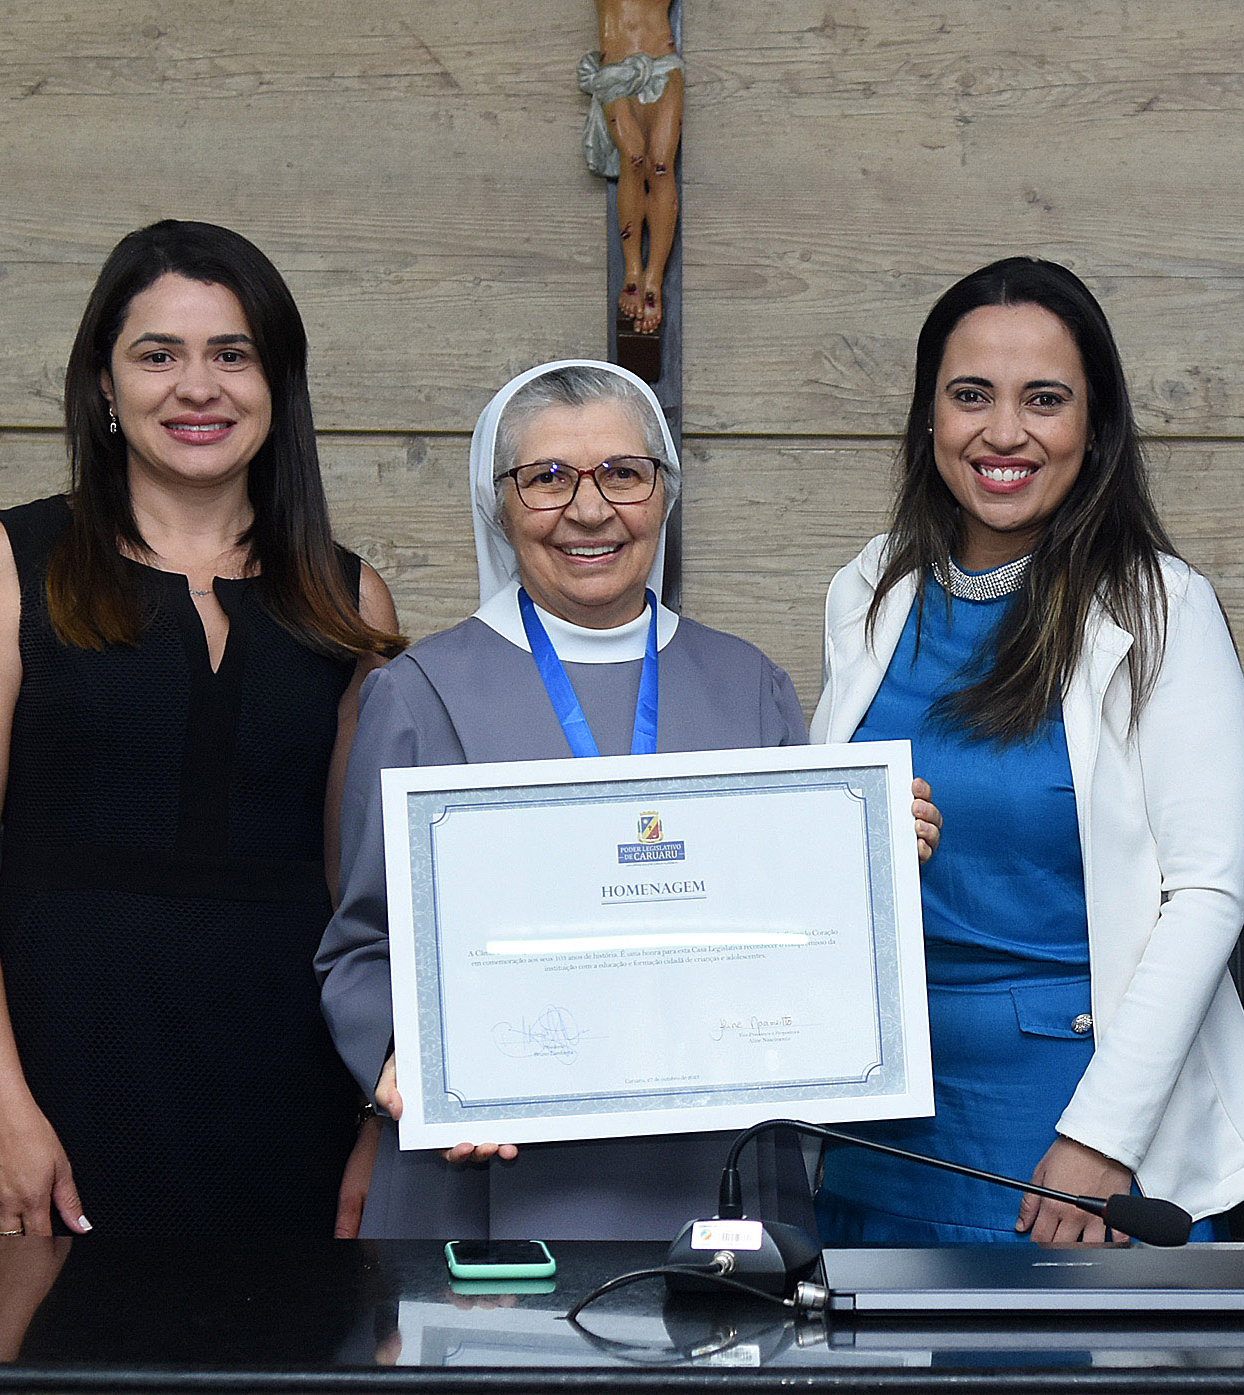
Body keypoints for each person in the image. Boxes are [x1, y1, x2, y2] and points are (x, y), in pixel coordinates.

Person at [0, 220, 402, 1239]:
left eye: (232, 354)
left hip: (289, 1097)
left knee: (287, 1394)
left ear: (279, 383)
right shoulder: (8, 561)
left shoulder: (351, 599)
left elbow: (366, 899)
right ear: (104, 384)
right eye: (157, 355)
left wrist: (376, 1123)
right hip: (65, 1087)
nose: (198, 387)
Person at [318, 359, 876, 1239]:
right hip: (492, 1179)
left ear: (665, 493)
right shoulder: (421, 693)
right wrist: (407, 1059)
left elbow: (794, 931)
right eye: (546, 478)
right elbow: (362, 946)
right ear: (498, 505)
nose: (589, 509)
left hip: (713, 1161)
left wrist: (867, 858)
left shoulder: (748, 683)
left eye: (623, 473)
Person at [812, 258, 1244, 1245]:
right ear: (928, 417)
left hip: (1074, 1119)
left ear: (1096, 423)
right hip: (882, 1124)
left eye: (1044, 400)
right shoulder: (867, 589)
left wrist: (1103, 1135)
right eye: (969, 396)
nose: (1002, 433)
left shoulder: (1162, 609)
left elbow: (1207, 893)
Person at [579, 0, 683, 333]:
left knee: (662, 165)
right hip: (617, 71)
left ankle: (654, 277)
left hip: (662, 65)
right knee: (634, 159)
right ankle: (633, 272)